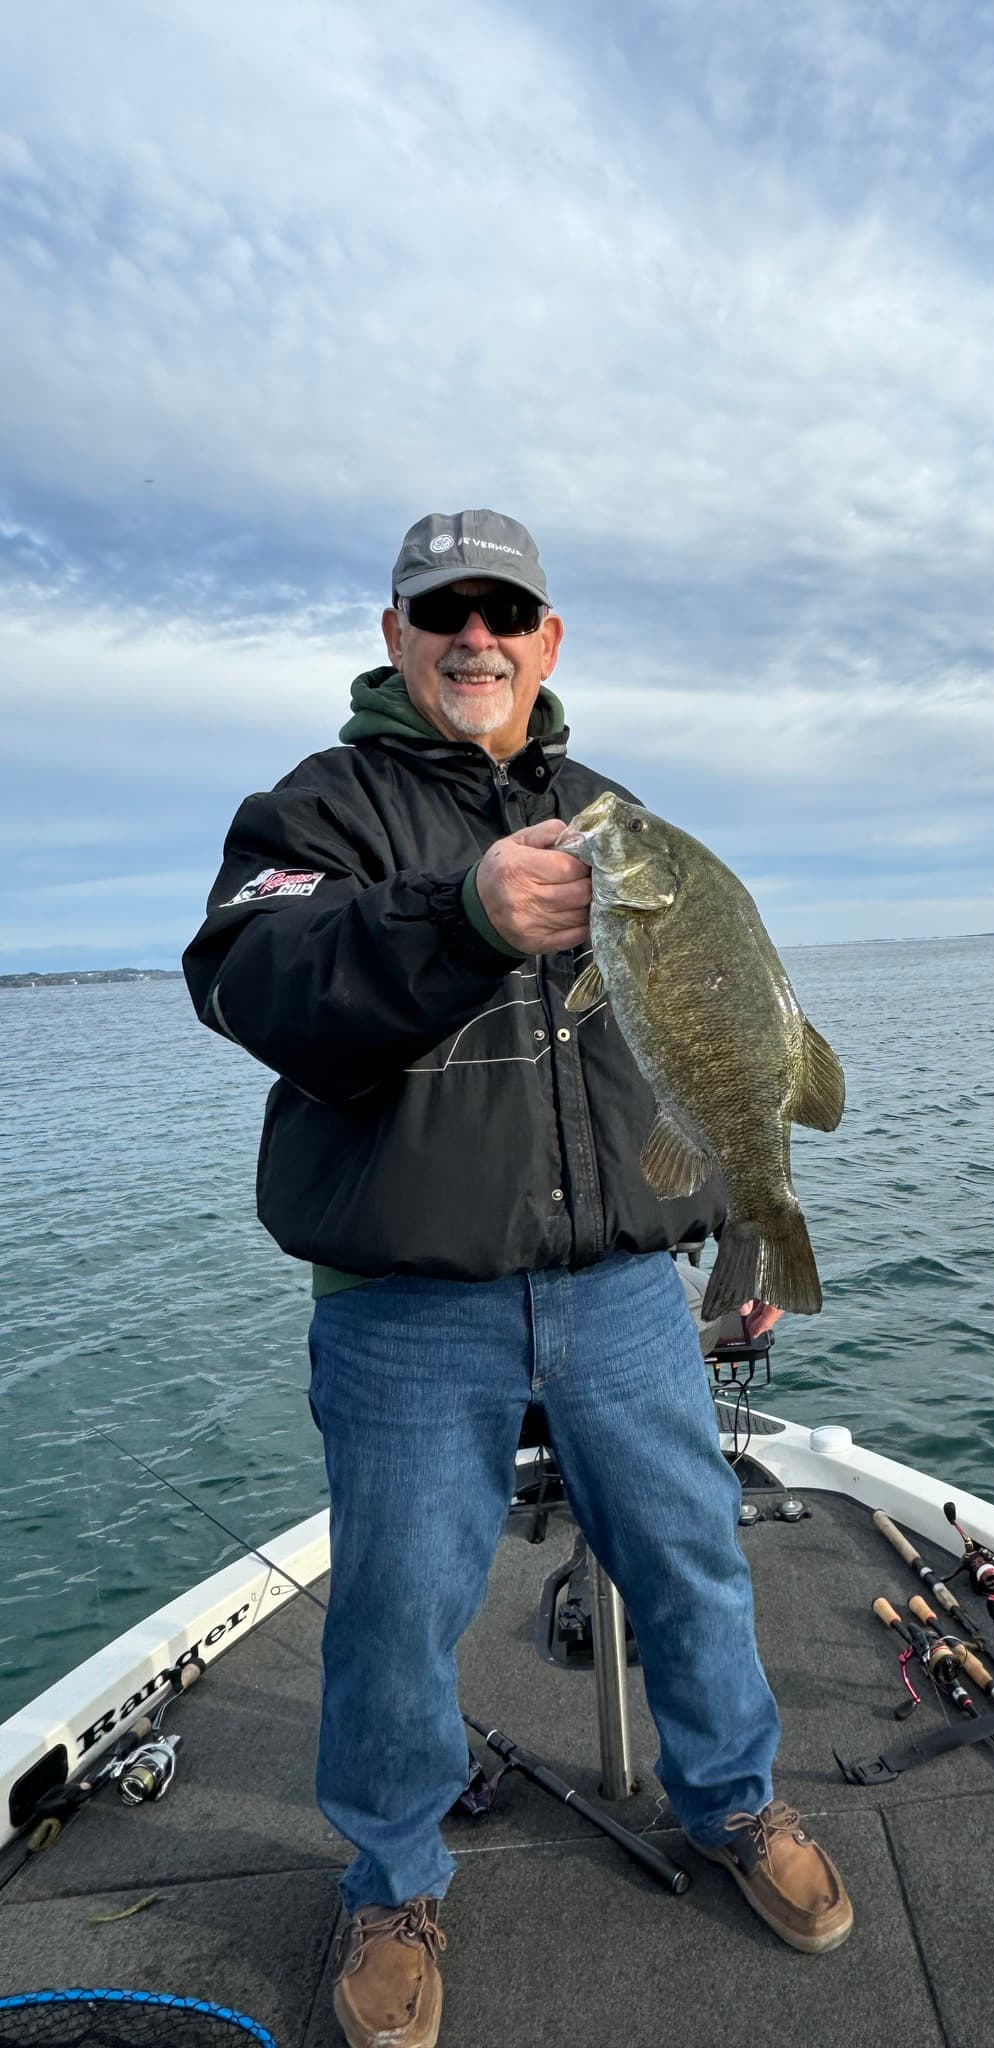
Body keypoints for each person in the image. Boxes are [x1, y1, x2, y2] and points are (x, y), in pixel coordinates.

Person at [183, 510, 852, 2048]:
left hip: (623, 1289)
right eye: (443, 611)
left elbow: (726, 1037)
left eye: (507, 611)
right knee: (402, 1610)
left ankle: (735, 1804)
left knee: (694, 1561)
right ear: (396, 632)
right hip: (406, 1305)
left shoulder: (620, 820)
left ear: (550, 641)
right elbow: (256, 982)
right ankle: (394, 1879)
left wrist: (732, 1238)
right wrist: (465, 915)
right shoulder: (313, 813)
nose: (474, 635)